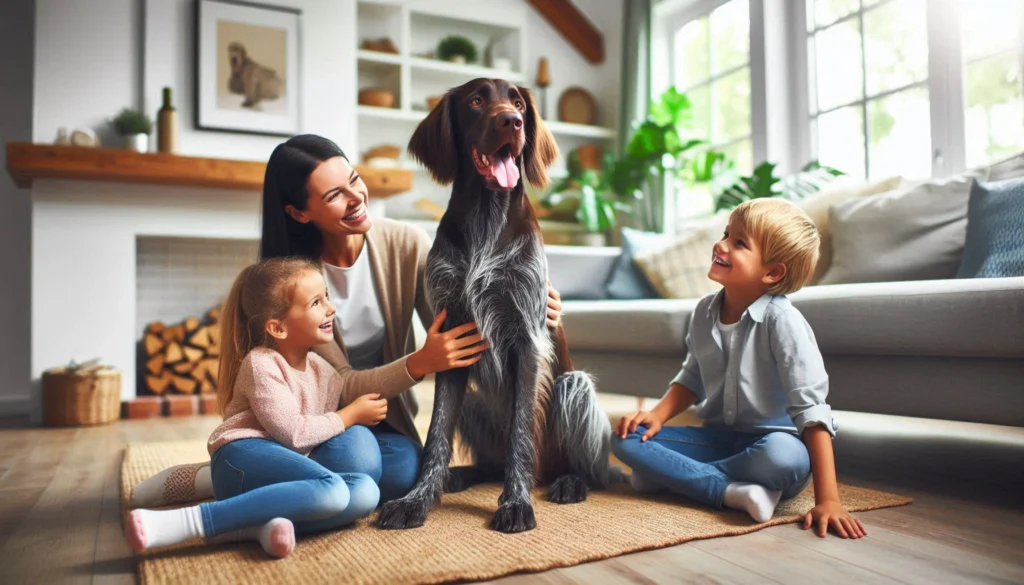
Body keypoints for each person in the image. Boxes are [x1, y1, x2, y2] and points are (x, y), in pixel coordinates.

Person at [129, 134, 564, 508]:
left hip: (379, 424)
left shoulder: (405, 243)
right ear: (299, 213)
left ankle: (266, 482)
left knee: (403, 471)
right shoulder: (290, 286)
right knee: (359, 465)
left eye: (354, 180)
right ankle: (217, 477)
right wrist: (418, 364)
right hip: (304, 421)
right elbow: (341, 382)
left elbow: (462, 331)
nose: (356, 197)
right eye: (335, 195)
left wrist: (527, 312)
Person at [612, 198, 866, 539]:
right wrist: (657, 416)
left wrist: (829, 500)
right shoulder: (703, 312)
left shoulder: (783, 322)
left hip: (775, 446)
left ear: (772, 272)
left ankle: (675, 476)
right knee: (625, 439)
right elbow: (692, 378)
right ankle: (733, 492)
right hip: (720, 441)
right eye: (727, 234)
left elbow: (812, 411)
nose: (721, 245)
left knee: (783, 460)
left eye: (739, 243)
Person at [126, 258, 414, 557]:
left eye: (327, 296)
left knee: (366, 492)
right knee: (334, 489)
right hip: (242, 455)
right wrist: (350, 414)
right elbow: (293, 434)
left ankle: (252, 527)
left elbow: (319, 440)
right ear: (278, 327)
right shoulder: (261, 363)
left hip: (290, 465)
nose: (330, 308)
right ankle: (196, 520)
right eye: (316, 302)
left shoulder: (322, 370)